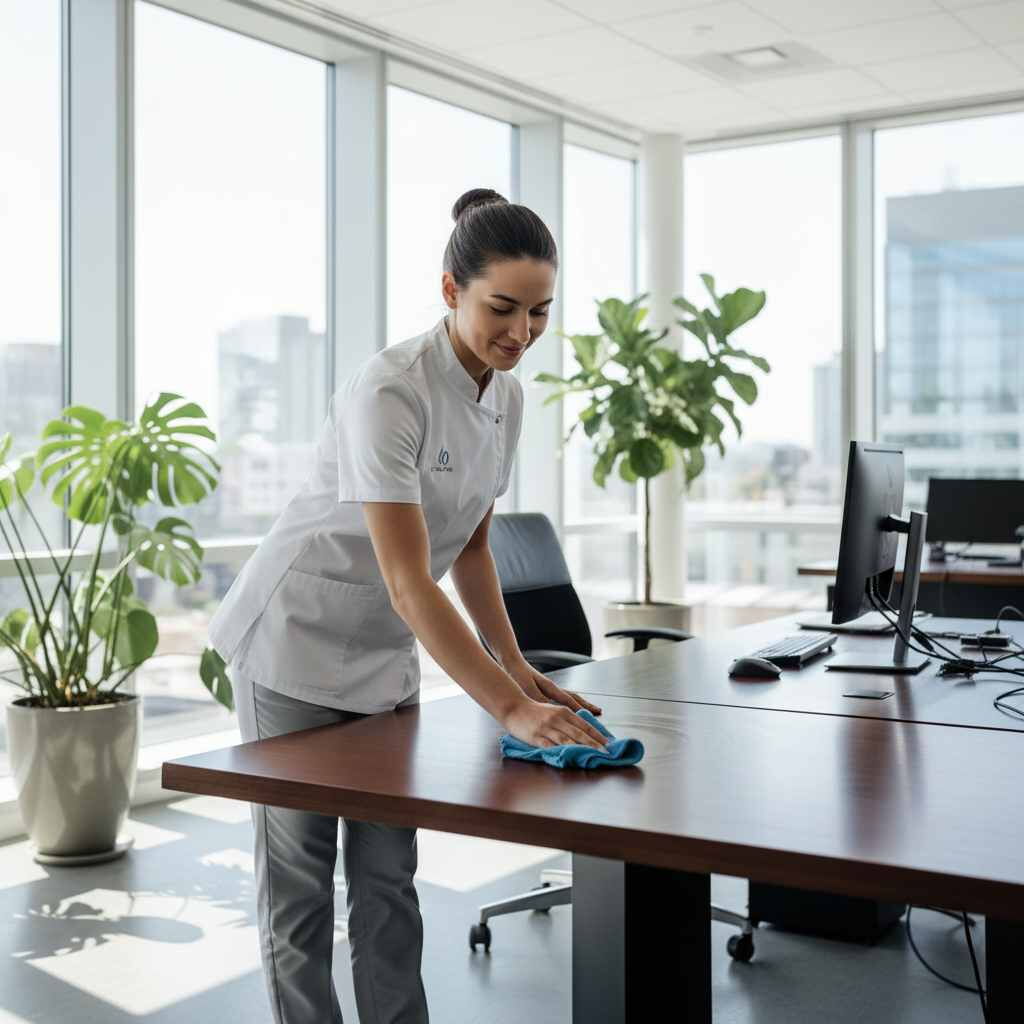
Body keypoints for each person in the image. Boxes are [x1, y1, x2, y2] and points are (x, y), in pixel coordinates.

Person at [208, 187, 608, 1024]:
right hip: (297, 640)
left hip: (384, 654)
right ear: (450, 289)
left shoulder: (508, 398)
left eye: (539, 313)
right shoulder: (388, 391)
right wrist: (507, 708)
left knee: (390, 878)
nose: (521, 333)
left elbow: (465, 545)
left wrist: (520, 671)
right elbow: (407, 575)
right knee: (301, 886)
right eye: (503, 308)